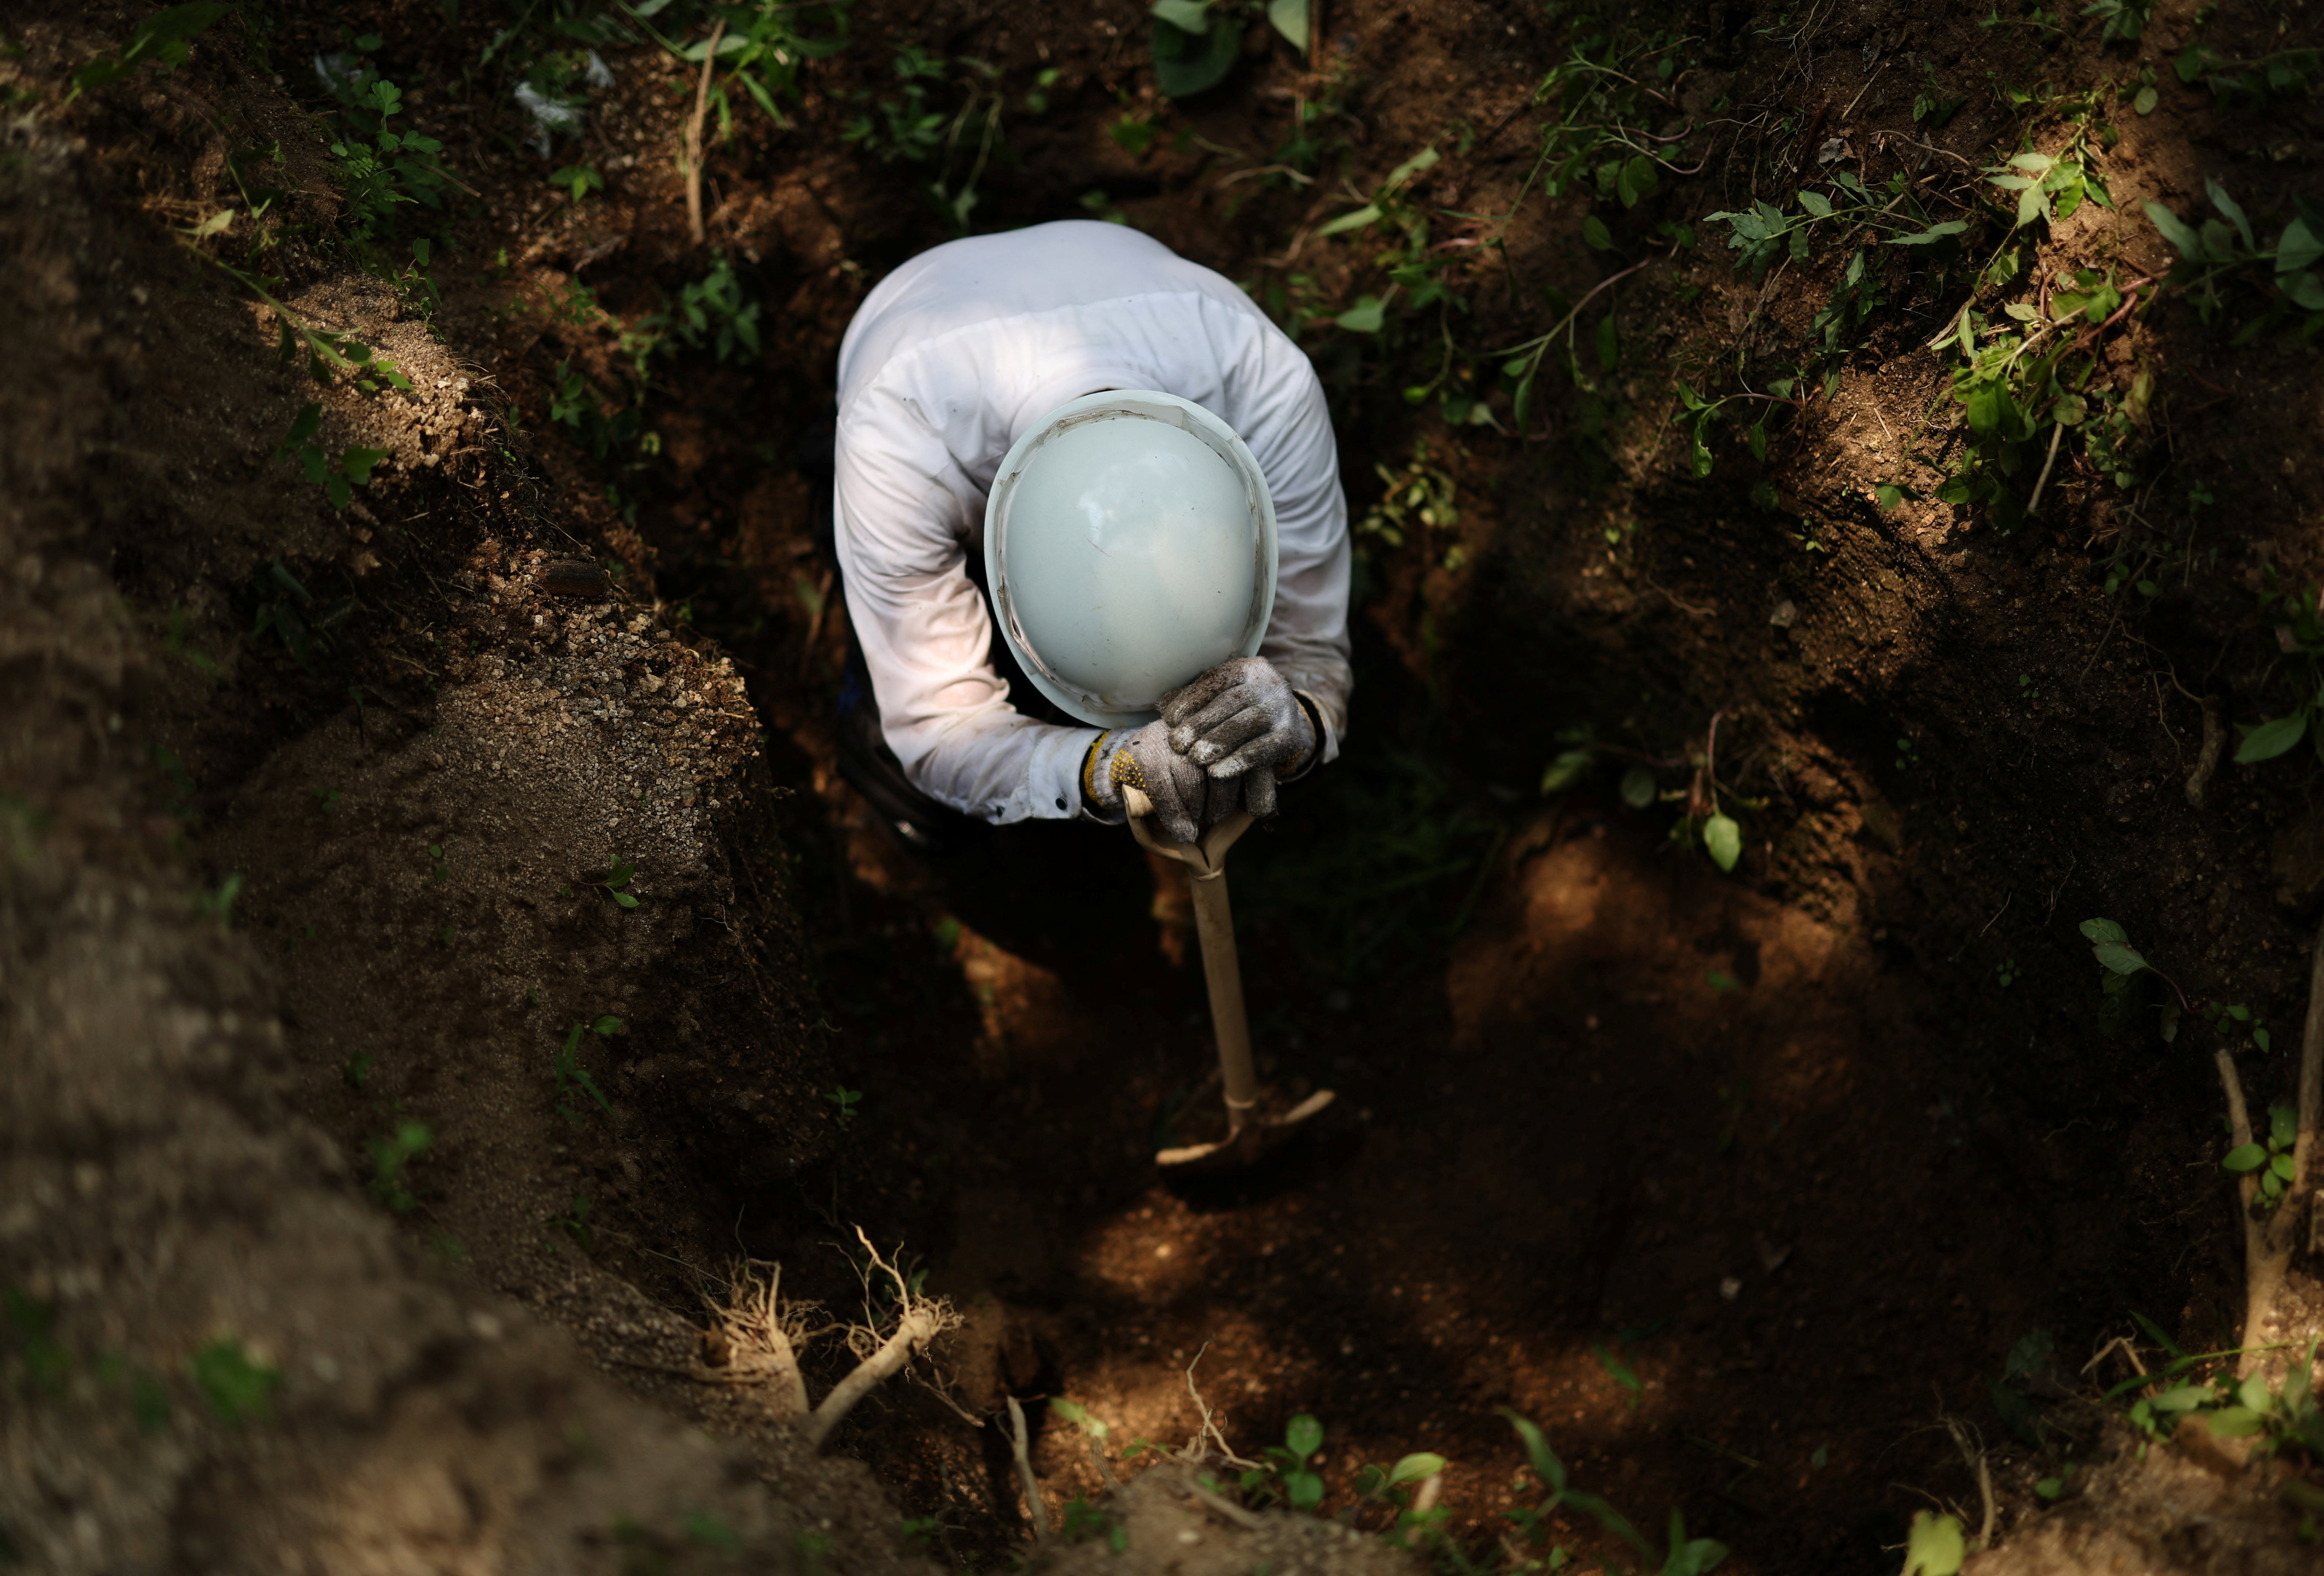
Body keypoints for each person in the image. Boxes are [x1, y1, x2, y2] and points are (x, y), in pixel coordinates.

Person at [829, 220, 1352, 853]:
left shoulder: (1264, 384)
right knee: (919, 796)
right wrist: (1105, 768)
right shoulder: (896, 446)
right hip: (906, 338)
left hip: (1126, 288)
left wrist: (1296, 725)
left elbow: (1312, 647)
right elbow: (942, 728)